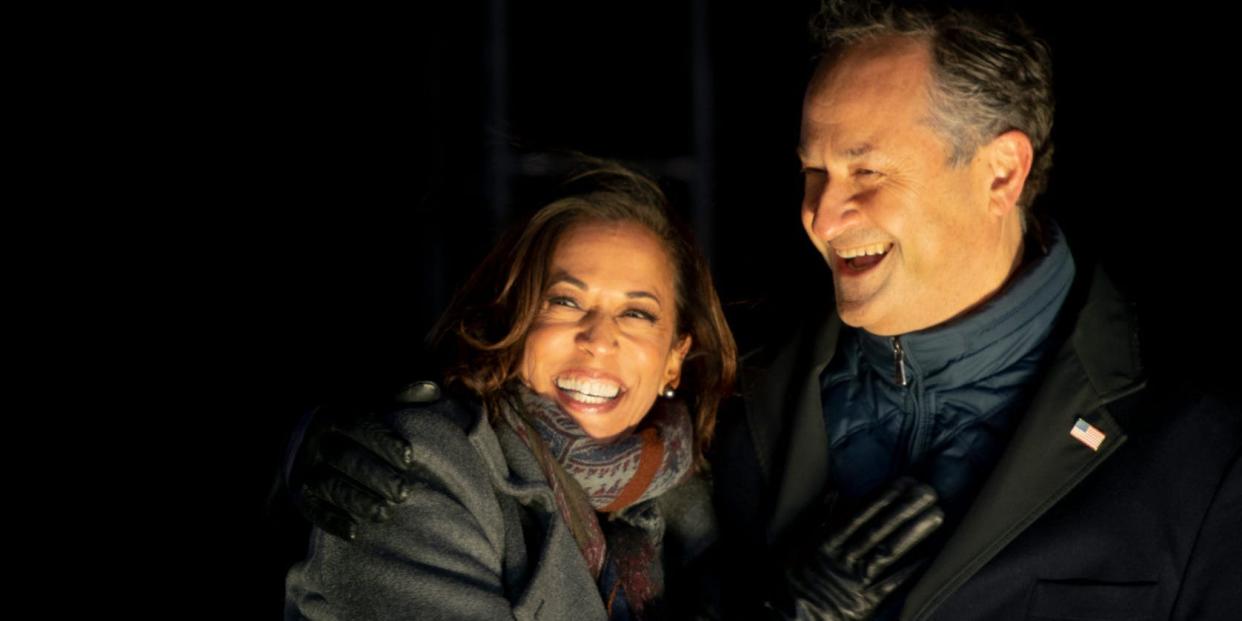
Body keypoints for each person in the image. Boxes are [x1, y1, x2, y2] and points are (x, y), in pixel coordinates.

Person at [288, 2, 1241, 619]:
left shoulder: (1196, 447)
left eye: (868, 172)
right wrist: (318, 450)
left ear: (1001, 170)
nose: (823, 215)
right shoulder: (742, 405)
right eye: (814, 173)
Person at [284, 160, 945, 620]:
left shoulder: (701, 511)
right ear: (514, 325)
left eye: (636, 312)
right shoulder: (411, 470)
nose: (599, 339)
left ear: (673, 360)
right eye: (565, 302)